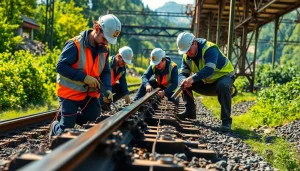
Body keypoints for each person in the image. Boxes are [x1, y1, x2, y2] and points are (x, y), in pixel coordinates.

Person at [50, 14, 121, 136]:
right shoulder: (75, 45)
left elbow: (105, 71)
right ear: (97, 28)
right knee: (65, 133)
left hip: (90, 94)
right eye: (105, 39)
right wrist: (84, 78)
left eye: (108, 41)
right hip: (70, 94)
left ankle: (69, 116)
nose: (105, 43)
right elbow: (60, 67)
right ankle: (55, 126)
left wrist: (108, 89)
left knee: (94, 121)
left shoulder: (105, 49)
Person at [176, 32, 235, 131]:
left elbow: (209, 69)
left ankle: (226, 122)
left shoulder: (210, 49)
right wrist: (183, 81)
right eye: (185, 51)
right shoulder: (186, 56)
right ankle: (190, 111)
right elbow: (182, 74)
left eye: (189, 50)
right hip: (207, 81)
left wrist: (191, 79)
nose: (187, 53)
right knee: (184, 84)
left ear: (194, 43)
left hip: (225, 76)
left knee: (223, 86)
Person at [101, 46, 133, 111]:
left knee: (122, 89)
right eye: (123, 61)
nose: (124, 63)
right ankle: (102, 102)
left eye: (126, 62)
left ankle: (107, 103)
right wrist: (106, 91)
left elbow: (123, 81)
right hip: (102, 86)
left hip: (111, 86)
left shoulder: (123, 68)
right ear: (118, 56)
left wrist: (126, 93)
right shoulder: (108, 63)